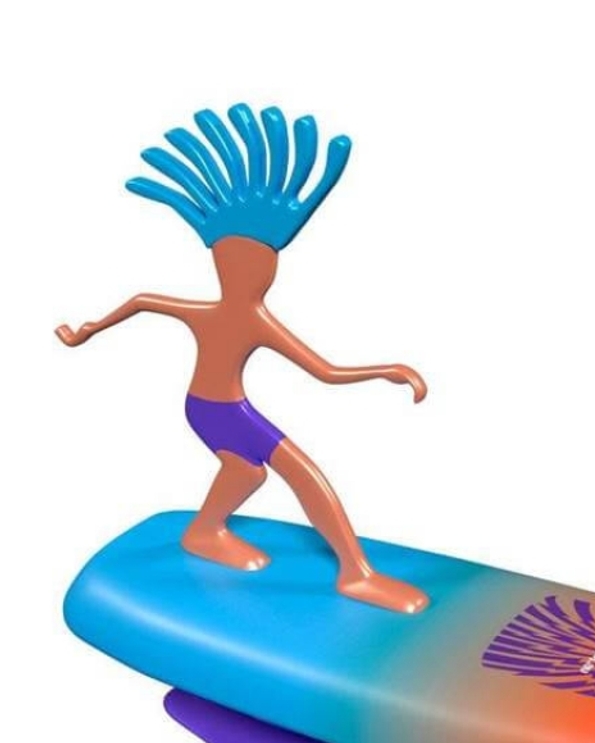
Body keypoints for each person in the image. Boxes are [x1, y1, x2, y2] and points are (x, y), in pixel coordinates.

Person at [56, 103, 429, 613]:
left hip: (218, 409)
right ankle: (353, 574)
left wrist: (384, 371)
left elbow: (323, 371)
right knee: (298, 472)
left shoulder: (248, 318)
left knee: (250, 473)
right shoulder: (238, 318)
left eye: (265, 264)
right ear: (231, 266)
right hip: (214, 410)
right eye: (254, 263)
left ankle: (206, 531)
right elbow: (144, 301)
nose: (262, 273)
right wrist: (86, 331)